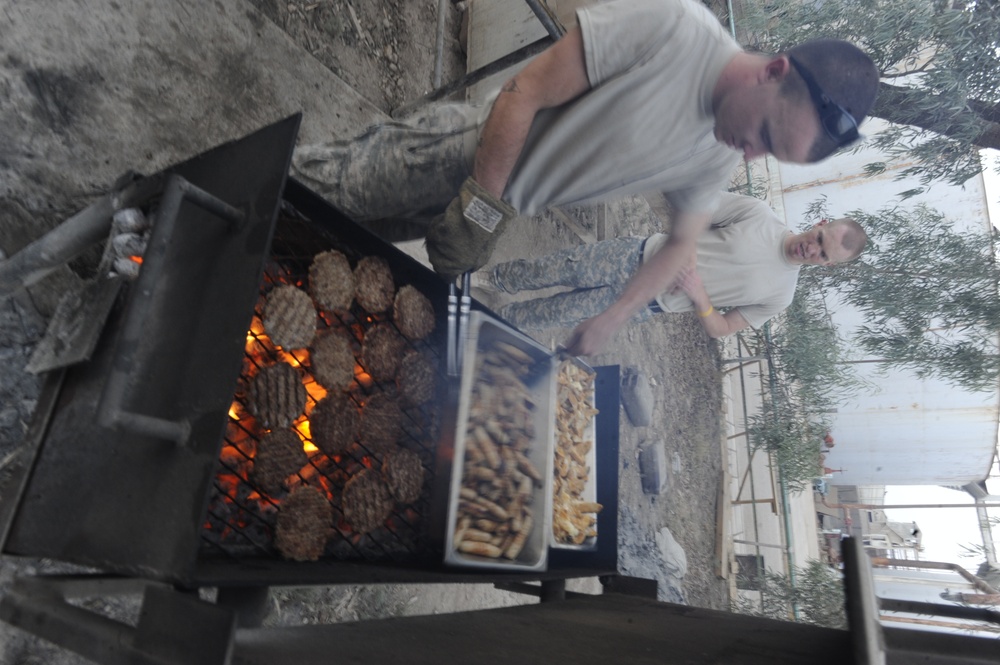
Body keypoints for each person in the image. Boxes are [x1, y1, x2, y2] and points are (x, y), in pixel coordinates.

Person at [292, 0, 878, 351]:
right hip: (458, 157)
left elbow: (679, 245)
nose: (752, 156)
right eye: (768, 137)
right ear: (772, 72)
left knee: (337, 237)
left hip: (494, 203)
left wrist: (611, 318)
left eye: (771, 156)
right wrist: (479, 209)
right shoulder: (673, 29)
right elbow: (522, 95)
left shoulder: (718, 152)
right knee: (310, 189)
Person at [478, 192, 866, 338]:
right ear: (820, 223)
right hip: (638, 256)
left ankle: (487, 320)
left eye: (823, 254)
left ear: (828, 266)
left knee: (557, 312)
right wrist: (688, 255)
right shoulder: (758, 214)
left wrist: (701, 298)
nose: (812, 250)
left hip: (647, 304)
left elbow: (722, 328)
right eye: (819, 239)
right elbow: (692, 207)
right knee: (555, 268)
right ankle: (488, 279)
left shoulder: (781, 296)